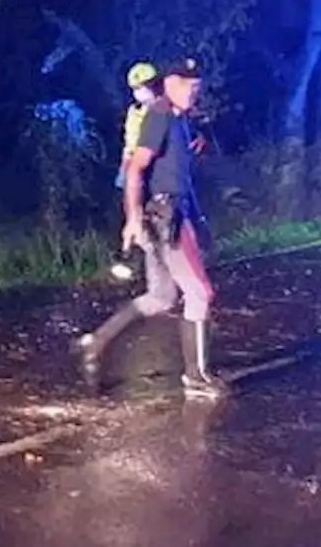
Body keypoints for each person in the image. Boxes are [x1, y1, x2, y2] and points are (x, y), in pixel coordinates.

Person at [75, 57, 225, 399]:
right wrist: (132, 217)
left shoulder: (178, 119)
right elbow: (135, 168)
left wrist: (199, 220)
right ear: (169, 83)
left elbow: (181, 177)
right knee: (199, 292)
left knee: (161, 296)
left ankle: (96, 343)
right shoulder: (158, 116)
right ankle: (196, 377)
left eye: (197, 87)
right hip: (165, 216)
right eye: (188, 86)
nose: (193, 93)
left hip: (173, 212)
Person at [116, 62, 161, 198]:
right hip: (138, 165)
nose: (138, 92)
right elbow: (130, 143)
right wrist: (124, 170)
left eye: (141, 87)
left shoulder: (165, 111)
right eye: (135, 88)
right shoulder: (134, 112)